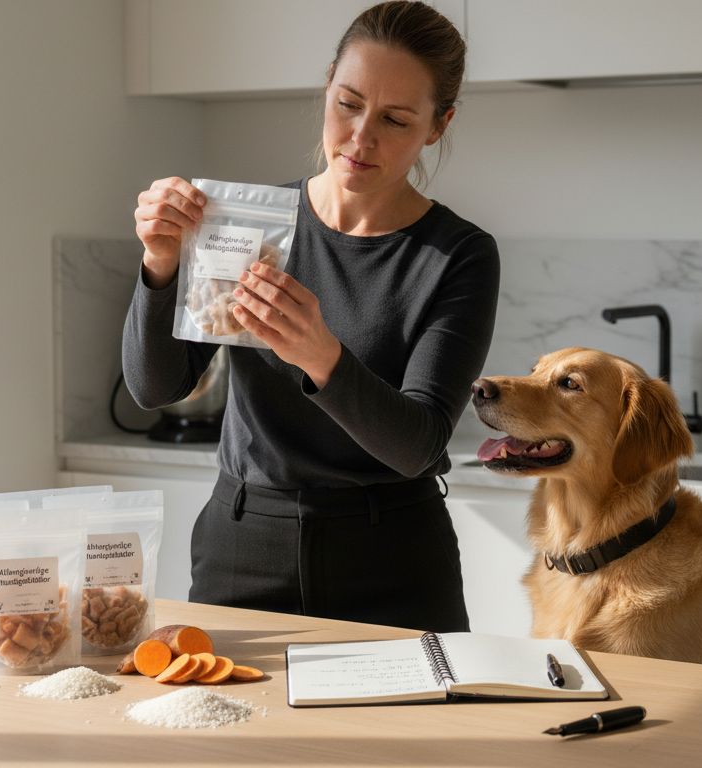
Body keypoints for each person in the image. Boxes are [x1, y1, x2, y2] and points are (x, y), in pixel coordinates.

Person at [122, 1, 498, 633]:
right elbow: (155, 388)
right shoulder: (246, 225)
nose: (360, 138)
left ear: (438, 126)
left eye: (395, 119)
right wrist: (161, 263)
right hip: (243, 546)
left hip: (394, 558)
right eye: (348, 104)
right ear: (328, 84)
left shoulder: (457, 255)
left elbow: (419, 445)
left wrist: (319, 355)